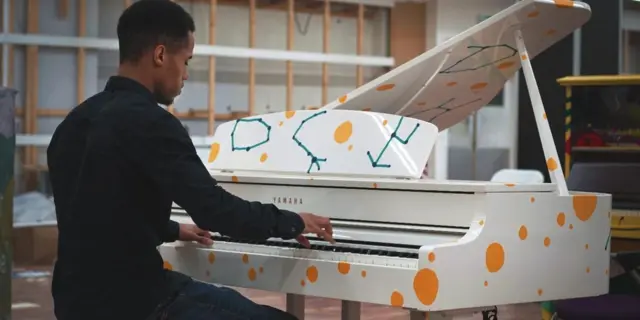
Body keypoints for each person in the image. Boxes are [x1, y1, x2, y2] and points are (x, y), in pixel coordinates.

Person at [46, 1, 335, 319]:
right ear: (159, 55)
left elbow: (99, 213)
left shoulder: (72, 124)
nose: (185, 75)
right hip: (138, 303)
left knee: (223, 298)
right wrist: (290, 220)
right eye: (185, 61)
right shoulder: (152, 123)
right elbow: (216, 211)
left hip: (75, 301)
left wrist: (172, 229)